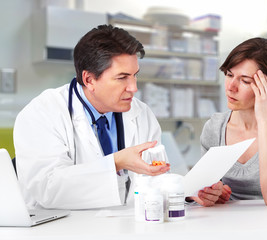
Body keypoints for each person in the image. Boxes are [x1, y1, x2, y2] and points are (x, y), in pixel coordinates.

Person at [13, 25, 170, 210]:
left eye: (135, 75)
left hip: (126, 226)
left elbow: (159, 179)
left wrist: (185, 194)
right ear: (89, 80)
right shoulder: (42, 113)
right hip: (61, 229)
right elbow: (48, 189)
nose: (133, 87)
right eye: (122, 77)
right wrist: (116, 162)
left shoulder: (141, 113)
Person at [194, 37, 267, 206]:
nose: (231, 86)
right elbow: (201, 188)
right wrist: (210, 194)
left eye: (245, 81)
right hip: (230, 225)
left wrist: (264, 121)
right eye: (229, 75)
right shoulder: (214, 127)